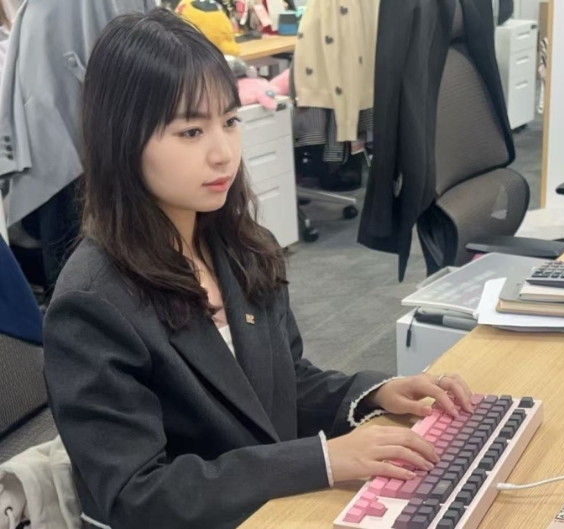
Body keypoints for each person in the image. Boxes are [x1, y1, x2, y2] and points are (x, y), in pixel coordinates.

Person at [42, 9, 475, 529]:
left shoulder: (241, 246)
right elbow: (137, 495)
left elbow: (280, 387)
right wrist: (322, 460)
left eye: (229, 122)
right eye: (190, 131)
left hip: (276, 511)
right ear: (122, 140)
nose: (223, 154)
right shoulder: (92, 303)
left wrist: (374, 392)